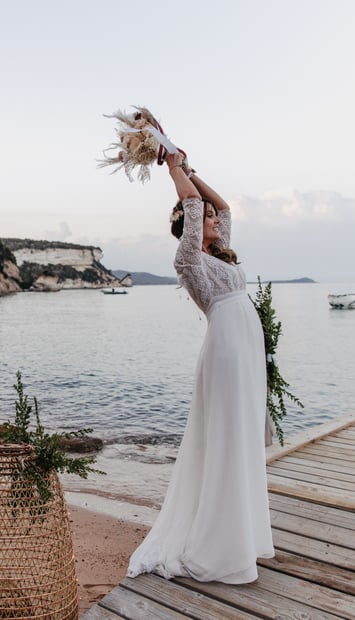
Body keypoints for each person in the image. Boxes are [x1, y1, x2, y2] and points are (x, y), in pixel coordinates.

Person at [127, 151, 274, 583]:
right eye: (204, 218)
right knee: (227, 435)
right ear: (189, 225)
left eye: (209, 218)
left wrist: (192, 171)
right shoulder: (188, 258)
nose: (212, 219)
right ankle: (218, 543)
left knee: (243, 432)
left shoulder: (220, 254)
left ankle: (242, 534)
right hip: (226, 348)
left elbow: (223, 207)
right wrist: (172, 165)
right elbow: (194, 204)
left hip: (245, 346)